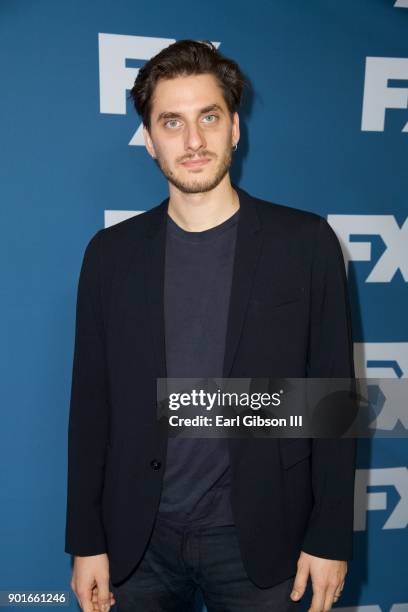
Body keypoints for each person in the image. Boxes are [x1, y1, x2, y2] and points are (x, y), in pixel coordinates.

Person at [65, 39, 356, 612]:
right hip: (137, 543)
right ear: (148, 139)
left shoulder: (306, 244)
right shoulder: (109, 255)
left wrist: (329, 538)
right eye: (172, 122)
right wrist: (86, 541)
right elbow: (90, 408)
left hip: (265, 541)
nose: (193, 141)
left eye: (209, 118)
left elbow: (334, 402)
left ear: (235, 129)